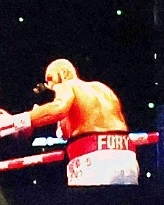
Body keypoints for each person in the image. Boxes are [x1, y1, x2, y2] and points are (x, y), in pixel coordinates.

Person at [17, 57, 140, 185]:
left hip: (94, 159)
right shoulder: (103, 88)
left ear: (64, 72)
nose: (50, 85)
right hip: (127, 157)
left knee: (89, 204)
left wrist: (19, 120)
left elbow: (58, 109)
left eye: (50, 78)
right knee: (126, 203)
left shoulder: (66, 85)